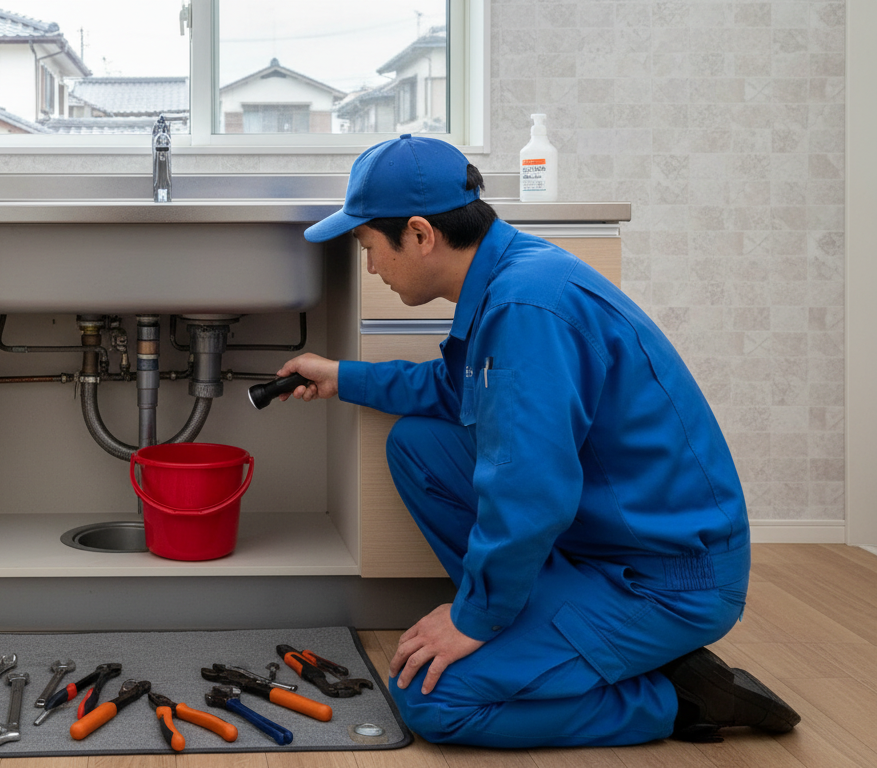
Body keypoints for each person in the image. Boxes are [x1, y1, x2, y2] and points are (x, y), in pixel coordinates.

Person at [277, 134, 800, 748]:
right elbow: (457, 389)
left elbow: (530, 489)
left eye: (370, 248)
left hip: (666, 581)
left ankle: (677, 698)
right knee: (419, 447)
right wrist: (344, 377)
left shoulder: (526, 307)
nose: (371, 267)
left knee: (431, 701)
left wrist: (473, 619)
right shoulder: (509, 274)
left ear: (419, 234)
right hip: (609, 539)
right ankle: (538, 619)